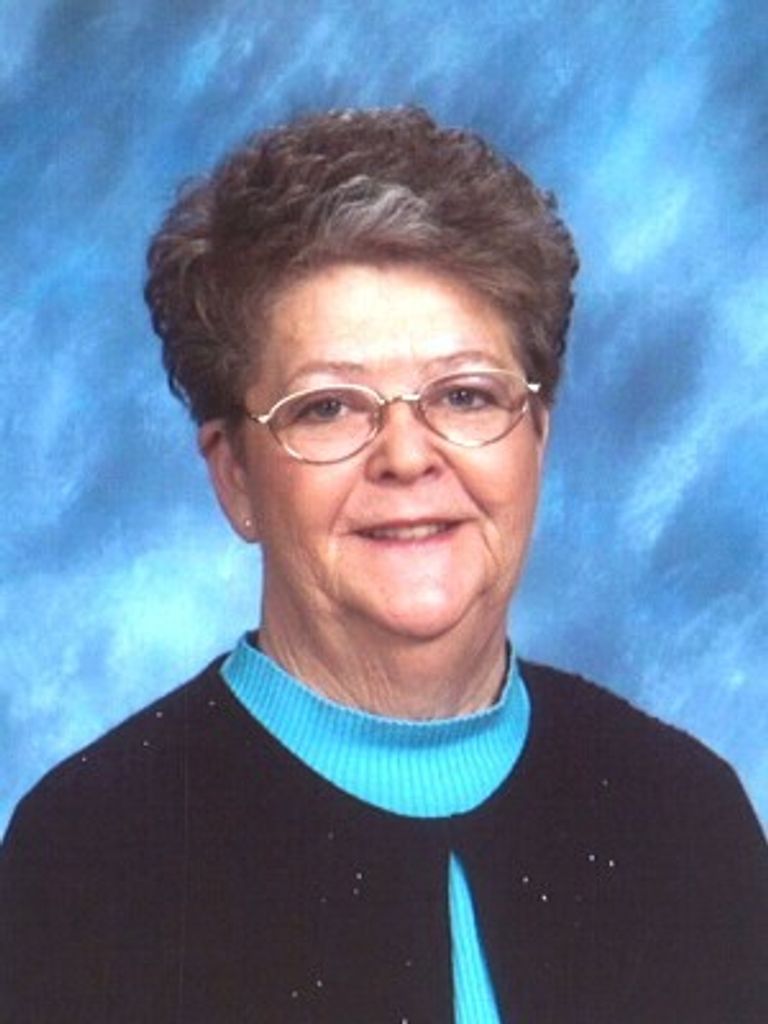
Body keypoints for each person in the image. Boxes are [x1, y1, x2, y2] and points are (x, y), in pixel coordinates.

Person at [1, 107, 766, 1024]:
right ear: (235, 476)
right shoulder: (88, 859)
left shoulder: (687, 815)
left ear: (536, 437)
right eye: (329, 407)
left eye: (465, 395)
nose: (406, 456)